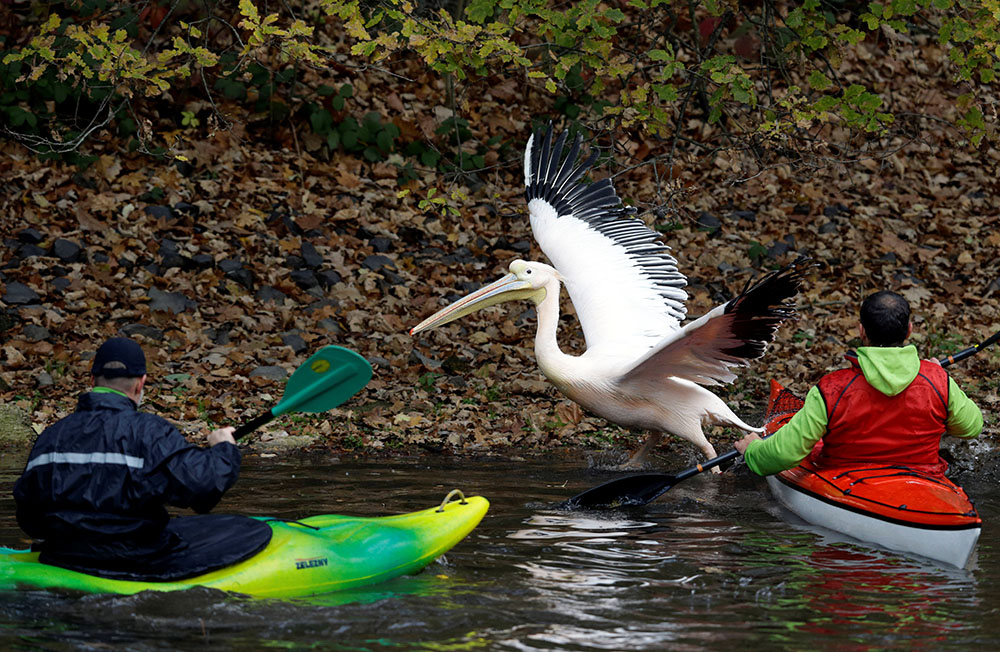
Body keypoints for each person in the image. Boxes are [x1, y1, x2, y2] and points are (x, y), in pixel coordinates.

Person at [13, 336, 272, 581]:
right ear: (141, 383)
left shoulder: (52, 435)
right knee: (248, 528)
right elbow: (203, 487)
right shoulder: (150, 431)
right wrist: (224, 447)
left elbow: (29, 516)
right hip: (137, 560)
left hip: (66, 557)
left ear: (92, 380)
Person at [734, 290, 983, 476]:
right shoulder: (937, 380)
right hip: (922, 479)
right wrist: (938, 379)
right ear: (909, 330)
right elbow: (971, 427)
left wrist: (752, 450)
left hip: (846, 481)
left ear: (861, 331)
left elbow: (784, 455)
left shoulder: (831, 389)